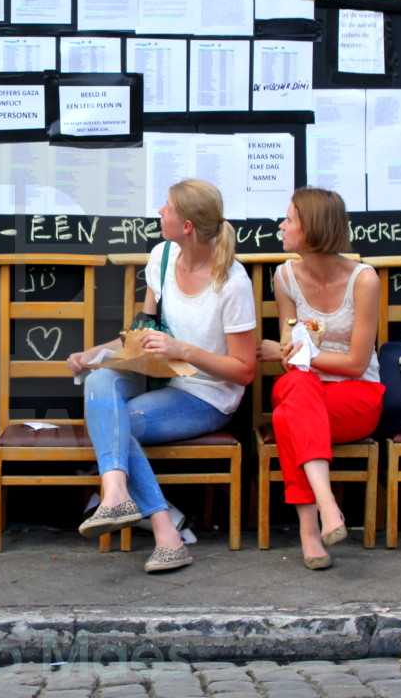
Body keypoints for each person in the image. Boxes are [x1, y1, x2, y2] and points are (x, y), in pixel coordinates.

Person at [67, 179, 256, 573]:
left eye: (166, 208)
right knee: (100, 381)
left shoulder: (232, 284)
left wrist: (183, 350)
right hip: (159, 374)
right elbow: (142, 336)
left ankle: (163, 527)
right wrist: (94, 354)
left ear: (186, 225)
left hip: (206, 394)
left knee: (118, 423)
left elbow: (244, 370)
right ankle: (117, 493)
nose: (159, 212)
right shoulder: (162, 257)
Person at [256, 187, 384, 571]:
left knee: (285, 419)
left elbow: (357, 364)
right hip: (303, 387)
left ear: (310, 229)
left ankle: (310, 531)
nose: (282, 225)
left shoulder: (364, 280)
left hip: (356, 397)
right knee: (298, 387)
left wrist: (292, 353)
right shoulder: (285, 277)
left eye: (290, 219)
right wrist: (286, 353)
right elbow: (291, 355)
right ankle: (328, 507)